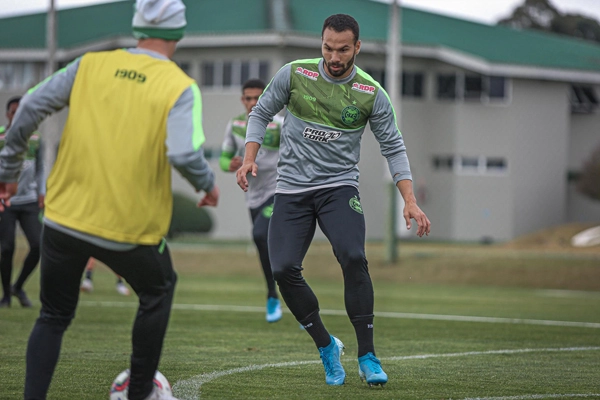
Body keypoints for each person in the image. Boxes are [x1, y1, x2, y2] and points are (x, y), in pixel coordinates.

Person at [0, 0, 219, 399]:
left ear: (137, 27)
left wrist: (8, 174)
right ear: (179, 31)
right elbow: (185, 154)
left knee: (52, 315)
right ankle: (138, 393)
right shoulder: (179, 86)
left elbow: (28, 106)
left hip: (64, 221)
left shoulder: (90, 65)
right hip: (130, 229)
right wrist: (207, 184)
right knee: (158, 291)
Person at [236, 14, 431, 387]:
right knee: (282, 269)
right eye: (328, 47)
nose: (334, 56)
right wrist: (249, 158)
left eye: (343, 49)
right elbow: (260, 112)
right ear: (321, 43)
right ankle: (326, 345)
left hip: (338, 189)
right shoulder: (294, 74)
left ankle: (368, 355)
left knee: (354, 256)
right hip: (291, 191)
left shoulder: (371, 93)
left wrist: (410, 200)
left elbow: (394, 147)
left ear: (357, 47)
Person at [220, 79, 283, 323]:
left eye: (258, 97)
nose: (253, 103)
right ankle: (275, 294)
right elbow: (225, 159)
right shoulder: (235, 125)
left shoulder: (279, 124)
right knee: (265, 246)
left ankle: (277, 295)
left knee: (259, 235)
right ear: (242, 100)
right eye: (248, 98)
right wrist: (232, 164)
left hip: (278, 191)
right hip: (253, 196)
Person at [0, 96, 44, 308]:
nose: (16, 115)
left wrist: (42, 192)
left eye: (21, 111)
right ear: (8, 114)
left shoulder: (35, 139)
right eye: (13, 111)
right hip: (6, 201)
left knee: (38, 244)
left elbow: (41, 168)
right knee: (6, 248)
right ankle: (6, 295)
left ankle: (18, 286)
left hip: (29, 201)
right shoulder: (1, 137)